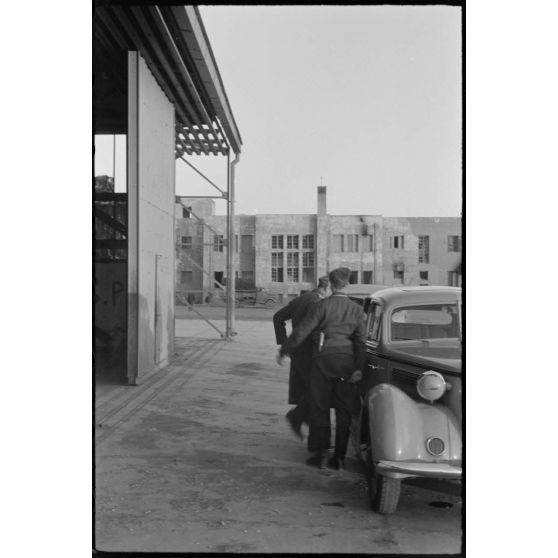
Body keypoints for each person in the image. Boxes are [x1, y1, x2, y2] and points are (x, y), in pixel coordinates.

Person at [278, 267, 366, 471]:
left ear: (332, 285)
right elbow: (361, 341)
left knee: (320, 407)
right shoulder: (356, 309)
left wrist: (284, 350)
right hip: (347, 361)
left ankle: (321, 455)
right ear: (347, 284)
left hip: (323, 359)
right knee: (344, 411)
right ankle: (340, 458)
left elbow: (301, 332)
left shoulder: (323, 305)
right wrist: (358, 368)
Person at [273, 276, 330, 451]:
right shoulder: (317, 303)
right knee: (316, 395)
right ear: (326, 288)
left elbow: (278, 317)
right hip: (311, 354)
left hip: (298, 353)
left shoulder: (301, 299)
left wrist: (283, 343)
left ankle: (315, 442)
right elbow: (310, 330)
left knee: (310, 394)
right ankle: (298, 418)